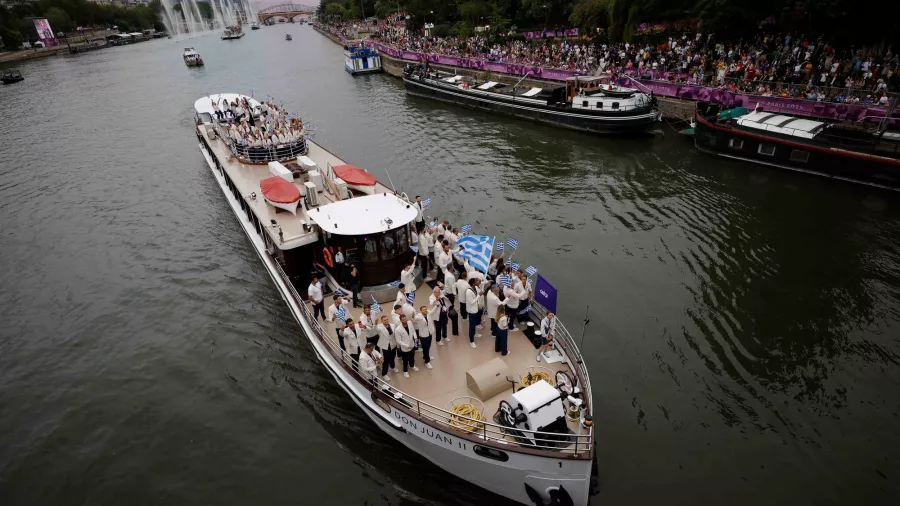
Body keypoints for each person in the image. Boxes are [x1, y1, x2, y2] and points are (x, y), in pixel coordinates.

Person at [376, 315, 399, 380]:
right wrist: (375, 323)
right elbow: (376, 329)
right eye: (384, 320)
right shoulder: (380, 327)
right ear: (382, 321)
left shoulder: (392, 325)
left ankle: (392, 366)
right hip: (385, 345)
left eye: (387, 319)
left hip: (392, 344)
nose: (386, 321)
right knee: (386, 360)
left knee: (393, 356)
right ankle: (384, 374)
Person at [465, 278, 482, 348]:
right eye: (476, 281)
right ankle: (471, 341)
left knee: (474, 323)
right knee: (471, 325)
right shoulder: (468, 292)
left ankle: (474, 334)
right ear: (473, 283)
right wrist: (479, 296)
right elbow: (471, 302)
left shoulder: (474, 288)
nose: (477, 282)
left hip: (475, 309)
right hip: (472, 311)